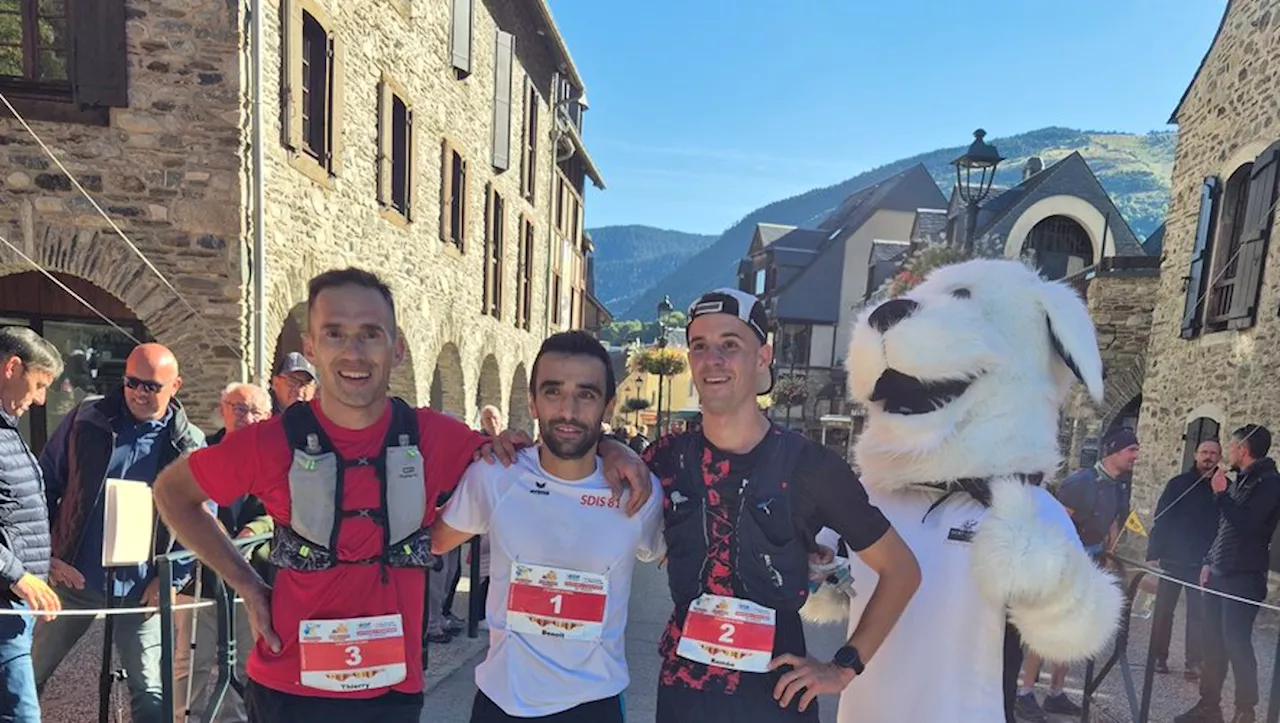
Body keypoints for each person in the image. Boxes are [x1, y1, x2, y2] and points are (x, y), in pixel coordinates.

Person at [152, 267, 651, 723]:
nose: (354, 352)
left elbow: (554, 451)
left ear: (398, 349)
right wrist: (246, 584)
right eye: (335, 334)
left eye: (371, 334)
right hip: (291, 686)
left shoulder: (436, 436)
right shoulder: (269, 441)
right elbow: (174, 493)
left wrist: (608, 447)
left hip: (391, 689)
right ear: (313, 344)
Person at [643, 288, 921, 722]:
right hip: (684, 696)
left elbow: (901, 570)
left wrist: (844, 666)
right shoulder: (665, 457)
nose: (712, 359)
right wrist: (501, 448)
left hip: (776, 700)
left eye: (730, 345)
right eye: (700, 346)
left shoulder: (811, 466)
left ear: (762, 356)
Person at [430, 330, 664, 722]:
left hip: (592, 705)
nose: (568, 410)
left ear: (608, 406)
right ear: (532, 402)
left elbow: (691, 566)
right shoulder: (495, 475)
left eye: (586, 394)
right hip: (501, 703)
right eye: (553, 392)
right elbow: (434, 543)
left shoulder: (638, 491)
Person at [34, 342, 205, 723]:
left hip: (142, 590)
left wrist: (171, 580)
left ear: (175, 385)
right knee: (26, 673)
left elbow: (202, 519)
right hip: (73, 580)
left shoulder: (190, 444)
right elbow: (44, 482)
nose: (139, 393)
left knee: (150, 689)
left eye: (152, 386)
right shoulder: (86, 419)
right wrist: (47, 553)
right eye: (132, 383)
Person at [1015, 426, 1139, 722]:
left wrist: (1108, 555)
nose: (1137, 455)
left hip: (1093, 561)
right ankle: (1025, 693)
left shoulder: (1118, 486)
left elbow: (1112, 524)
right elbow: (1058, 521)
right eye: (1131, 450)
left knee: (1075, 628)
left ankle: (1056, 693)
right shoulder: (1080, 482)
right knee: (1045, 626)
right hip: (1065, 561)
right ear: (1113, 451)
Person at [179, 382, 274, 723]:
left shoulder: (275, 458)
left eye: (254, 411)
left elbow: (276, 514)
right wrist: (214, 538)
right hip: (199, 578)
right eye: (239, 407)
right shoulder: (201, 450)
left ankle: (236, 719)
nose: (246, 417)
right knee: (192, 660)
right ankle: (185, 718)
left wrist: (251, 534)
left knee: (247, 658)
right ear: (223, 409)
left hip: (253, 575)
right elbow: (185, 503)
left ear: (267, 417)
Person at [1176, 425, 1280, 723]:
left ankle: (1245, 711)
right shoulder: (1240, 480)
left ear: (1243, 450)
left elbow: (1248, 525)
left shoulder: (1271, 484)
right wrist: (1209, 560)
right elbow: (1226, 528)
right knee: (1213, 642)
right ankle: (1209, 706)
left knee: (1236, 642)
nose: (1228, 453)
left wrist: (1222, 495)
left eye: (1231, 448)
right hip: (1221, 572)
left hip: (1245, 576)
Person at [0, 327, 63, 722]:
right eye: (39, 385)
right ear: (11, 367)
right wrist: (18, 573)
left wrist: (47, 560)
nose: (41, 400)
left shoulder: (8, 429)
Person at [1147, 439, 1222, 680]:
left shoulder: (1224, 489)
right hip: (1173, 558)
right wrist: (1154, 553)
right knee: (1163, 611)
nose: (1208, 457)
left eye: (1213, 453)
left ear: (1219, 458)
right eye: (1204, 452)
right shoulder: (1178, 484)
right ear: (1196, 455)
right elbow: (1162, 517)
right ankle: (1158, 656)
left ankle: (1194, 662)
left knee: (1199, 614)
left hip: (1202, 563)